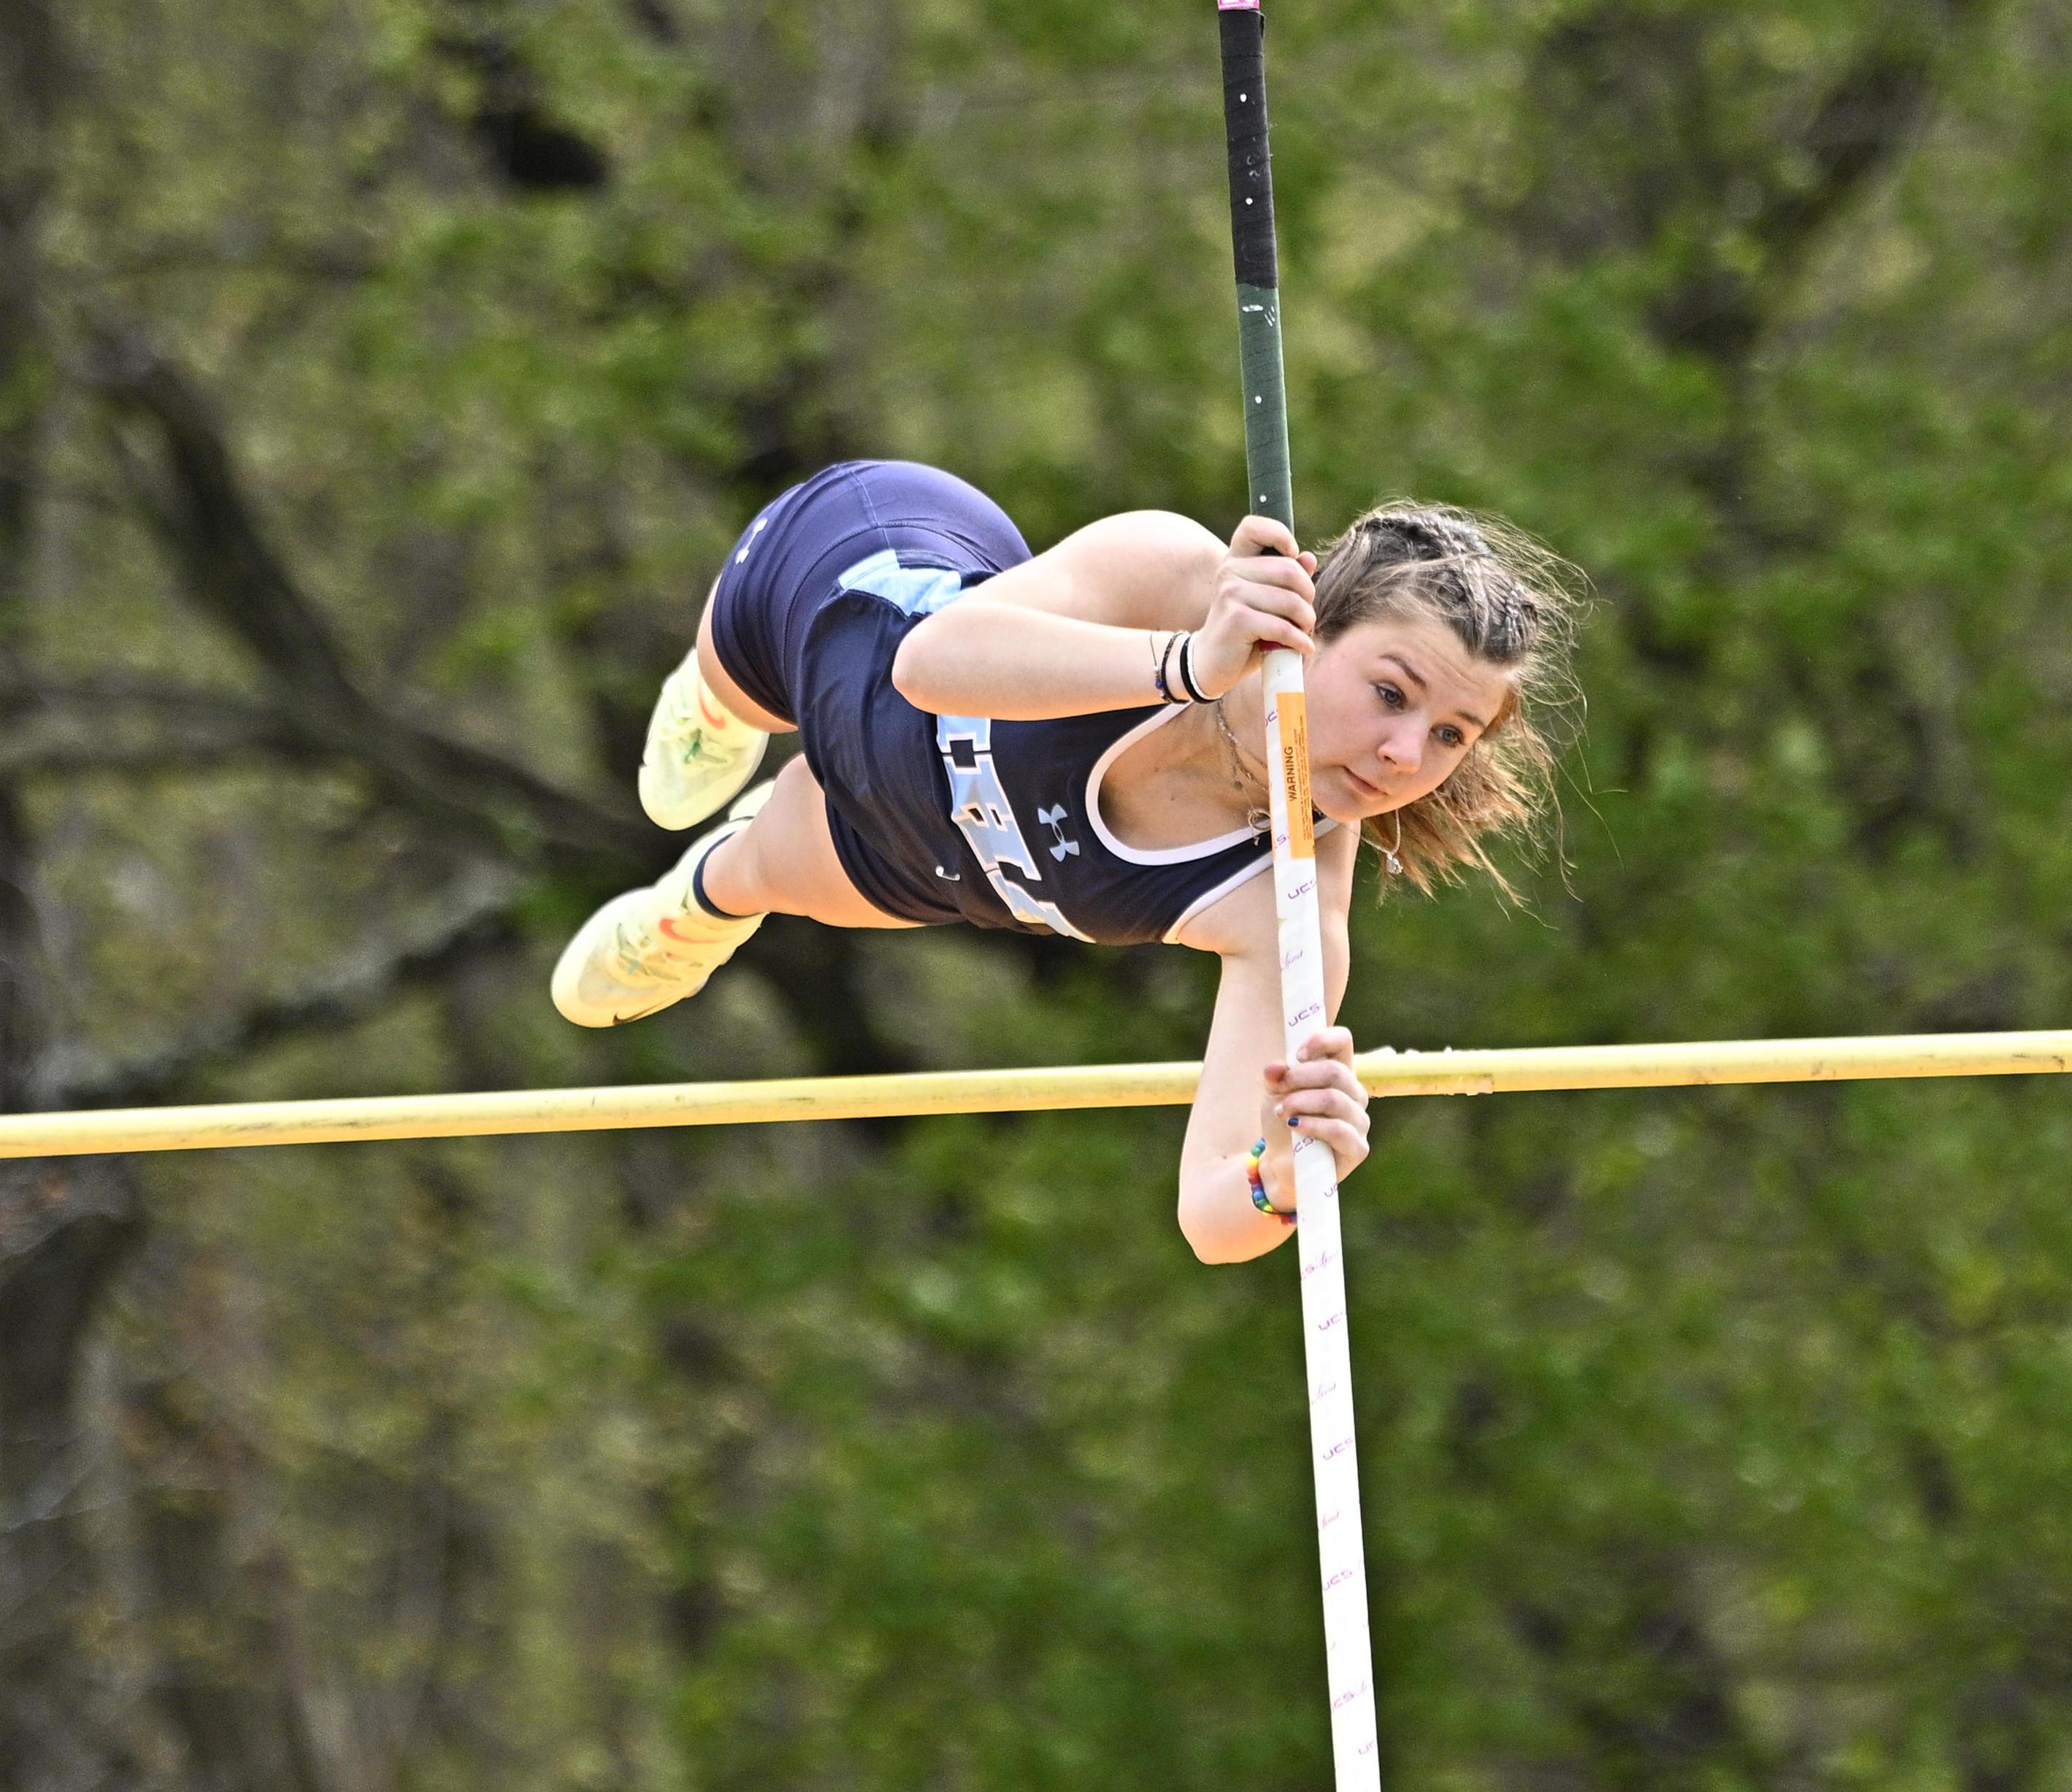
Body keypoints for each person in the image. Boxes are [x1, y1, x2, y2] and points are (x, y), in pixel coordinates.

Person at [552, 461, 1576, 1263]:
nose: (1406, 758)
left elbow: (1211, 1218)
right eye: (1391, 694)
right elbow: (927, 663)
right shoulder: (1175, 580)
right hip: (851, 600)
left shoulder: (1291, 899)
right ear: (1303, 627)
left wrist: (1286, 1172)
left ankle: (694, 902)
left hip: (910, 854)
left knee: (753, 877)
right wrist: (1190, 666)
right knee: (702, 738)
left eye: (1451, 736)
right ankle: (718, 701)